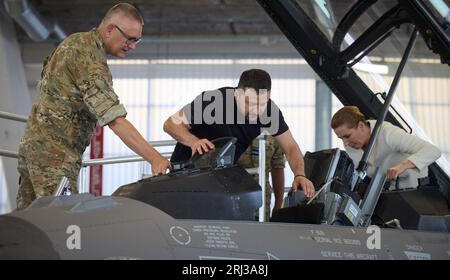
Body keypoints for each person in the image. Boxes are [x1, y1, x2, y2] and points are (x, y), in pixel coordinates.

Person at [16, 3, 170, 210]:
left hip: (35, 148)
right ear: (110, 30)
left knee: (26, 225)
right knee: (59, 226)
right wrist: (154, 157)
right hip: (54, 156)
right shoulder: (88, 58)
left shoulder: (75, 42)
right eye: (130, 39)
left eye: (137, 40)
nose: (133, 46)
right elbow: (114, 118)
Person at [163, 69, 315, 197]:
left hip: (219, 178)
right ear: (237, 94)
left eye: (261, 104)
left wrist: (300, 174)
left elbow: (290, 147)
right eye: (250, 103)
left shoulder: (270, 112)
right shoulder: (213, 101)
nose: (256, 110)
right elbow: (170, 124)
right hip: (186, 174)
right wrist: (194, 142)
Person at [331, 106, 441, 189]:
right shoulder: (352, 147)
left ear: (361, 126)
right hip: (391, 193)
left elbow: (433, 151)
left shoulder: (388, 133)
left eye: (347, 136)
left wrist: (402, 166)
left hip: (421, 189)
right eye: (341, 138)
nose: (345, 143)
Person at [237, 135, 285, 220]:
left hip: (262, 204)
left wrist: (278, 205)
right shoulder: (229, 128)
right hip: (234, 202)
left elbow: (278, 168)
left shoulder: (273, 131)